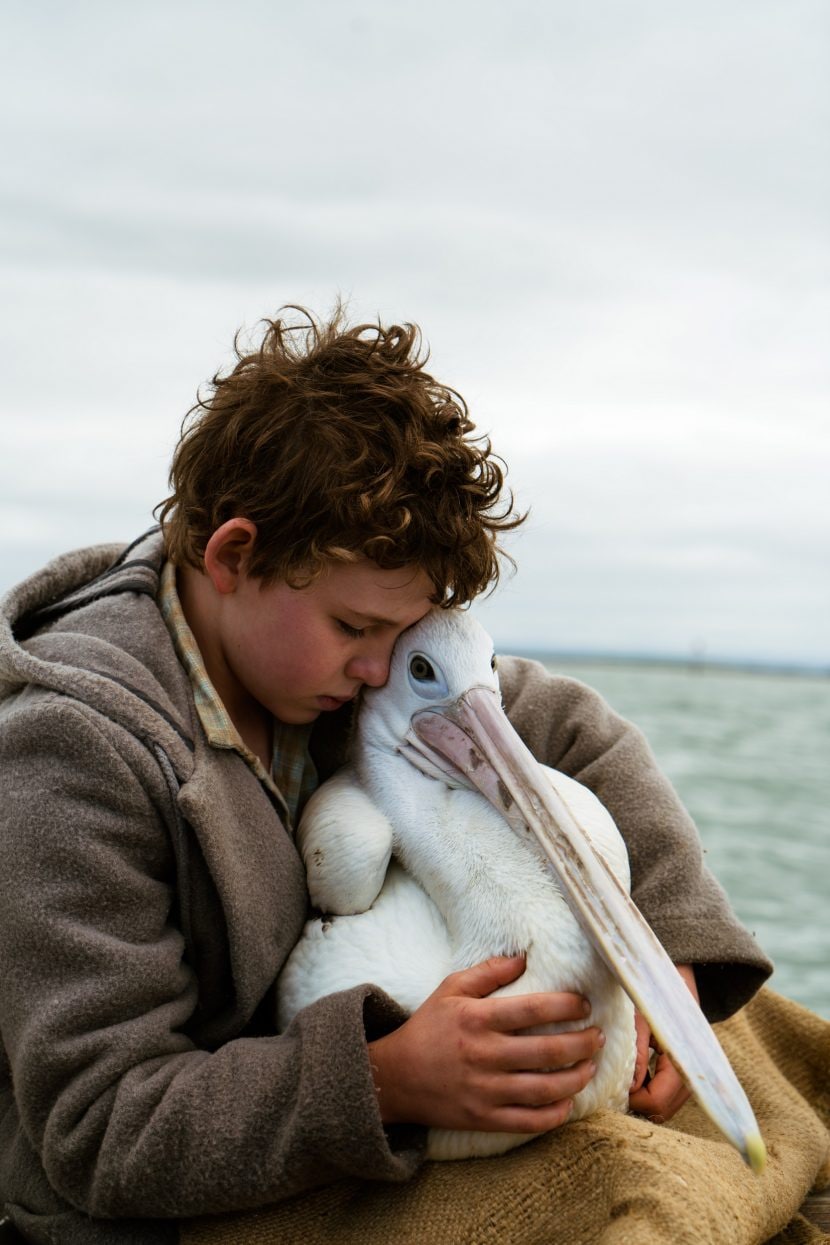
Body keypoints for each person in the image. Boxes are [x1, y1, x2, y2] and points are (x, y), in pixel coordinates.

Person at [0, 307, 771, 1244]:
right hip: (172, 1180)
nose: (378, 667)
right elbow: (100, 1124)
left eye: (396, 635)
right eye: (356, 629)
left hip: (345, 1077)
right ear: (235, 554)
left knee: (762, 1056)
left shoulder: (339, 656)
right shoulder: (75, 752)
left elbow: (577, 735)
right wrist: (385, 1080)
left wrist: (673, 959)